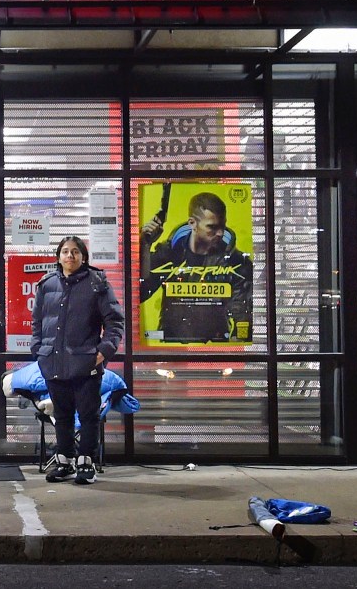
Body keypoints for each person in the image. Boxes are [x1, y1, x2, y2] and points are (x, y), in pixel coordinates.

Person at [31, 235, 126, 485]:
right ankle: (64, 462)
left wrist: (103, 352)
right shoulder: (47, 284)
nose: (70, 256)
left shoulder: (97, 283)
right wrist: (38, 349)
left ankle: (86, 463)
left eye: (75, 252)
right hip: (53, 362)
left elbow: (115, 322)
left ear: (83, 257)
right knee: (61, 415)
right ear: (58, 256)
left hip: (86, 364)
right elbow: (37, 322)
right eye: (65, 251)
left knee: (88, 416)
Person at [140, 191, 254, 344]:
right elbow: (141, 292)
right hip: (172, 348)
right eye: (212, 227)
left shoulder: (236, 262)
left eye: (222, 226)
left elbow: (243, 315)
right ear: (192, 223)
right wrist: (144, 246)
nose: (220, 233)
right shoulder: (169, 254)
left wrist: (235, 345)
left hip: (215, 348)